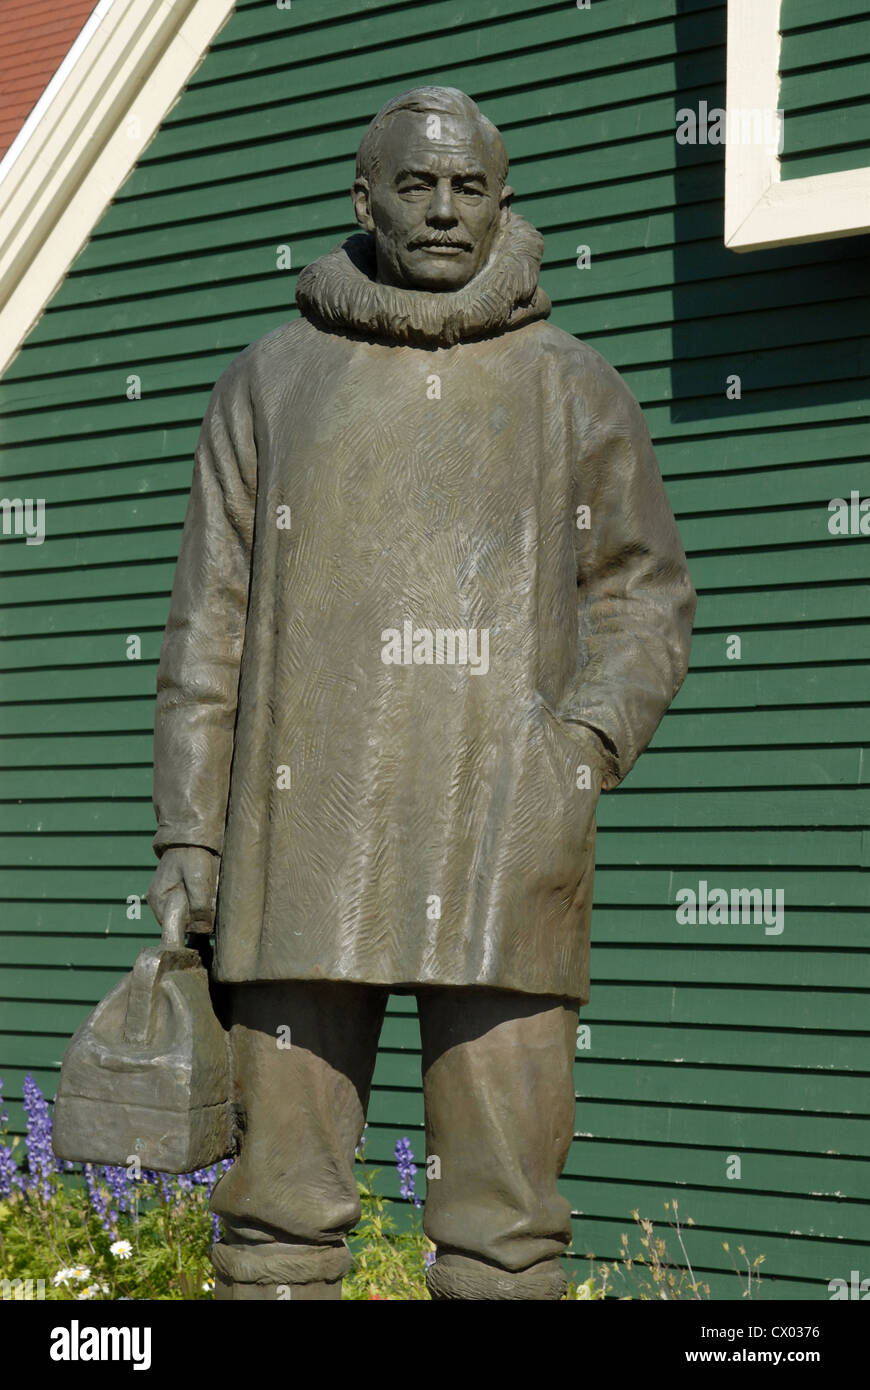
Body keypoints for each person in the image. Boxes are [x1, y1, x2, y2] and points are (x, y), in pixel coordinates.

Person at [146, 87, 695, 1301]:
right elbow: (208, 630)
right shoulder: (270, 384)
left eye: (470, 187)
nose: (445, 209)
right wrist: (191, 831)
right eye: (416, 185)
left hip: (507, 845)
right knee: (274, 1227)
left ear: (504, 202)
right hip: (303, 852)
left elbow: (644, 596)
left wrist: (578, 750)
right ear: (364, 198)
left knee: (506, 1235)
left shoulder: (572, 387)